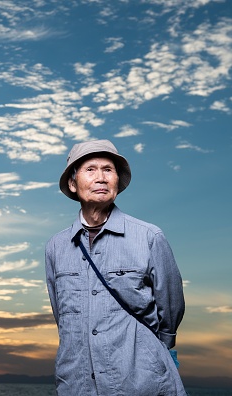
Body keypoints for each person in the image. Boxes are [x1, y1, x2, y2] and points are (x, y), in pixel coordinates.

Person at [45, 139, 186, 395]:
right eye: (90, 170)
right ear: (72, 183)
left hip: (140, 380)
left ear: (117, 181)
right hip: (77, 382)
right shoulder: (56, 246)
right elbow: (61, 316)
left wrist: (152, 352)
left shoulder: (149, 236)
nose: (101, 178)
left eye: (108, 170)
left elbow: (171, 307)